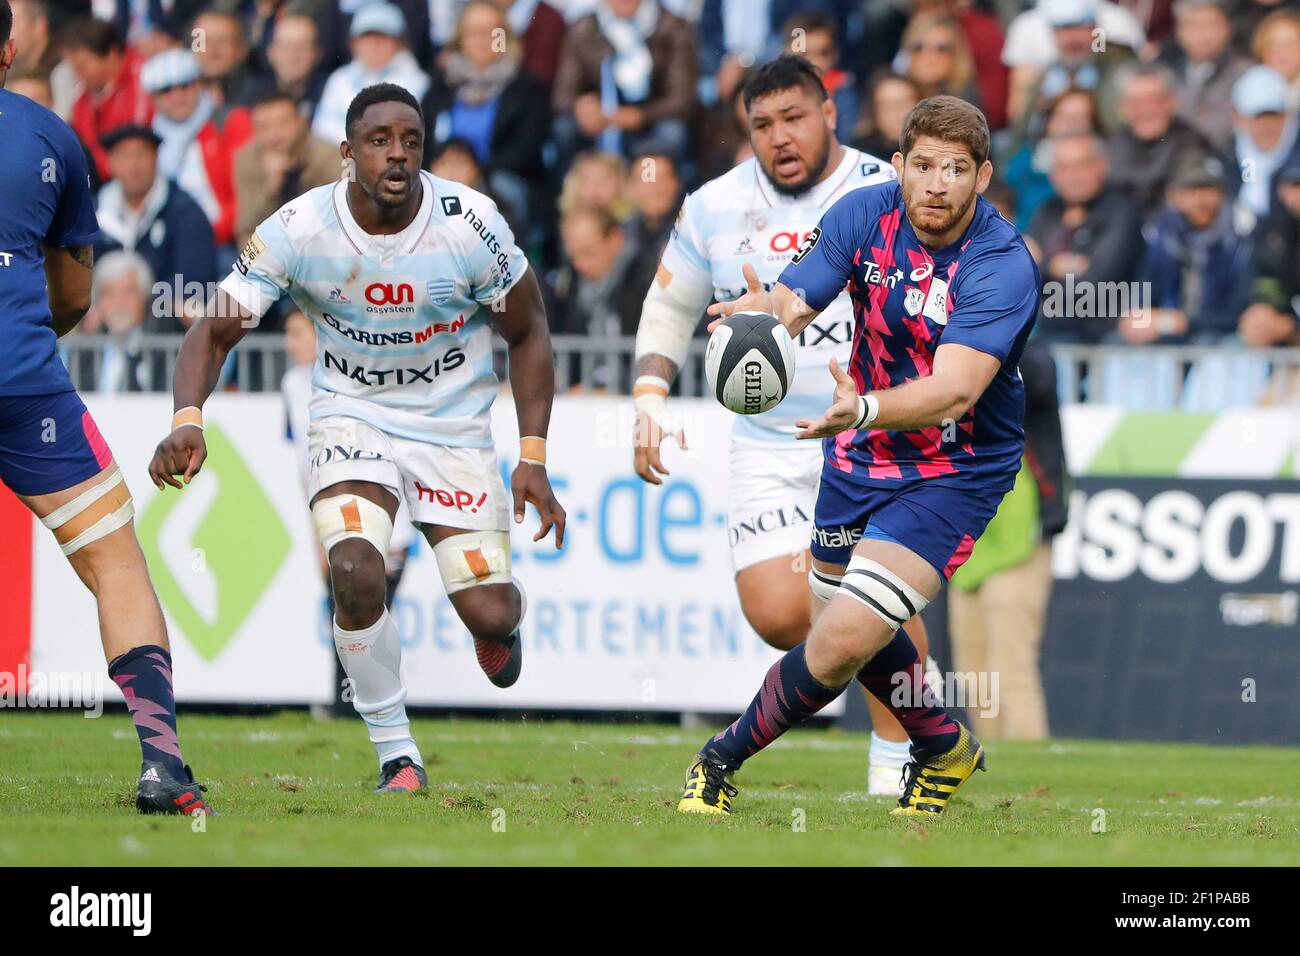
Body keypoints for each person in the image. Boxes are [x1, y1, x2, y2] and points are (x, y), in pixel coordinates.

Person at [147, 83, 566, 794]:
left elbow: (528, 332)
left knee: (488, 610)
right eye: (379, 141)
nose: (397, 154)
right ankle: (397, 756)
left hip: (453, 428)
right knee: (354, 570)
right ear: (347, 153)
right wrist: (188, 418)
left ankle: (498, 629)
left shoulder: (470, 224)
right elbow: (214, 329)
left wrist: (533, 456)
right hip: (351, 415)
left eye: (410, 140)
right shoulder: (299, 228)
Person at [675, 94, 1040, 817]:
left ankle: (717, 760)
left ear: (984, 177)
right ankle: (942, 747)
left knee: (844, 636)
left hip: (953, 469)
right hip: (859, 452)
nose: (938, 184)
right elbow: (794, 303)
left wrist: (864, 408)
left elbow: (955, 392)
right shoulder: (860, 215)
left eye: (957, 169)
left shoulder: (1002, 265)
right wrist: (762, 317)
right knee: (842, 626)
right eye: (925, 166)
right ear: (900, 167)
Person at [633, 56, 943, 799]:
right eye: (763, 124)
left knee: (873, 597)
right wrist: (649, 396)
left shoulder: (884, 189)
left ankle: (896, 760)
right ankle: (876, 677)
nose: (780, 137)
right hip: (768, 443)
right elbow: (671, 306)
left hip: (872, 436)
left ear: (830, 112)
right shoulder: (713, 204)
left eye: (794, 117)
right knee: (782, 617)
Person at [0, 0, 212, 814]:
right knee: (116, 562)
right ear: (13, 48)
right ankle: (163, 767)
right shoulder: (52, 136)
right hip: (25, 383)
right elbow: (77, 291)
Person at [94, 124, 216, 331]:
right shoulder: (92, 212)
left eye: (141, 154)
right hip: (104, 319)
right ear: (110, 163)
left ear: (156, 158)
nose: (134, 165)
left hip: (163, 321)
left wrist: (145, 297)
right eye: (125, 156)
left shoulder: (185, 210)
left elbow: (194, 278)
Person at [551, 0, 697, 168]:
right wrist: (584, 108)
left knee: (672, 132)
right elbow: (562, 95)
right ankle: (572, 191)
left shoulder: (673, 27)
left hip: (649, 121)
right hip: (600, 121)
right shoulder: (583, 28)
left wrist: (637, 116)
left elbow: (681, 99)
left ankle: (653, 190)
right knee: (565, 129)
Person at [1027, 132, 1143, 342]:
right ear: (1053, 174)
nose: (1074, 175)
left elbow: (1096, 286)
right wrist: (1052, 266)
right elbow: (1019, 275)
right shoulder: (1046, 212)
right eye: (1064, 167)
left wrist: (1040, 267)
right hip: (1048, 334)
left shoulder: (1122, 212)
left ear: (1102, 166)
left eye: (1082, 165)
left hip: (1104, 337)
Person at [312, 3, 431, 146]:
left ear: (399, 43)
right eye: (367, 38)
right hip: (341, 159)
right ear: (354, 44)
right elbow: (322, 130)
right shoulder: (339, 80)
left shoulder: (419, 82)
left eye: (382, 38)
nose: (374, 45)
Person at [234, 90, 340, 250]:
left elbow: (343, 212)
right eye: (264, 127)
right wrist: (271, 188)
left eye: (283, 123)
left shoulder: (326, 154)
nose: (274, 134)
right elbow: (246, 227)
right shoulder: (247, 159)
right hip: (276, 251)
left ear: (300, 122)